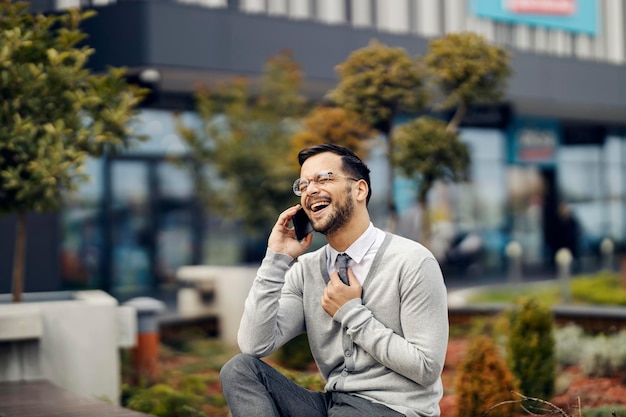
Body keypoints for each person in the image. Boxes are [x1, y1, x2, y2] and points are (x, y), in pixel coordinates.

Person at [220, 144, 449, 417]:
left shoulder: (411, 261)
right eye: (303, 185)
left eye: (324, 179)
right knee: (240, 369)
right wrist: (275, 260)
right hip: (334, 407)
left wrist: (351, 313)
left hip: (395, 410)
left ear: (360, 190)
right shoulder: (306, 270)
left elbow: (426, 368)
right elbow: (255, 344)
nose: (310, 190)